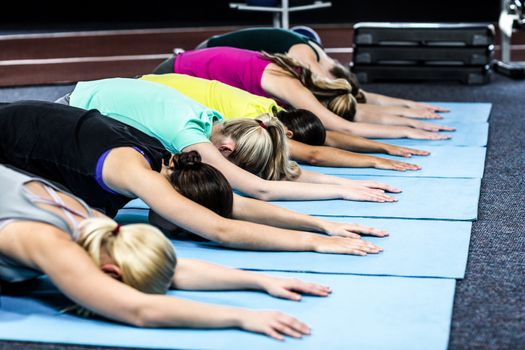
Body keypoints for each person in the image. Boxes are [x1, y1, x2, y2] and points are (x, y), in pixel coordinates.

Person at [0, 101, 386, 256]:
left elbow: (235, 206)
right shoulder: (139, 173)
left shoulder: (170, 162)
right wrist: (315, 245)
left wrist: (324, 224)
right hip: (13, 131)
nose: (183, 228)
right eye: (186, 223)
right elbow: (222, 229)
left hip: (31, 129)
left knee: (94, 219)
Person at [0, 163, 333, 340]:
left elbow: (173, 270)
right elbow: (138, 310)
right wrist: (242, 316)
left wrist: (260, 281)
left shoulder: (97, 225)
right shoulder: (49, 241)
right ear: (111, 275)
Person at [65, 77, 401, 202]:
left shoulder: (216, 122)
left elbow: (275, 175)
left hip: (98, 101)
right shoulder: (190, 136)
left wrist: (342, 181)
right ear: (226, 150)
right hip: (65, 115)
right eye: (236, 166)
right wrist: (341, 192)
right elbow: (260, 188)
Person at [141, 73, 429, 171]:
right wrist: (374, 160)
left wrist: (381, 148)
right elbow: (314, 155)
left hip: (160, 85)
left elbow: (328, 137)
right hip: (154, 83)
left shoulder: (273, 111)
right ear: (288, 132)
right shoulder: (253, 119)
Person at [152, 47, 454, 139]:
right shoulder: (290, 80)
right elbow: (340, 124)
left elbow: (359, 101)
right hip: (171, 74)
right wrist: (408, 132)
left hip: (185, 70)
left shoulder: (300, 72)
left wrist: (412, 112)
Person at [194, 27, 451, 118]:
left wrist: (412, 106)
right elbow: (324, 109)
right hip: (203, 52)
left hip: (219, 54)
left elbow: (360, 95)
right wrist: (403, 123)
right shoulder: (306, 60)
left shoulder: (322, 59)